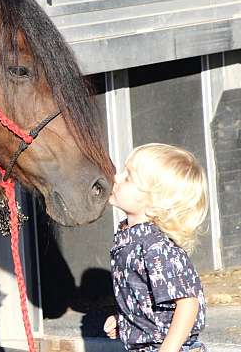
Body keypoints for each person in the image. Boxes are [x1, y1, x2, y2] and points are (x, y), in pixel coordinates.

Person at [103, 143, 208, 352]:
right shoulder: (130, 241)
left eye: (128, 177)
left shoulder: (156, 248)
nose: (116, 177)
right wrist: (125, 319)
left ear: (154, 201)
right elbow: (147, 300)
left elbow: (188, 304)